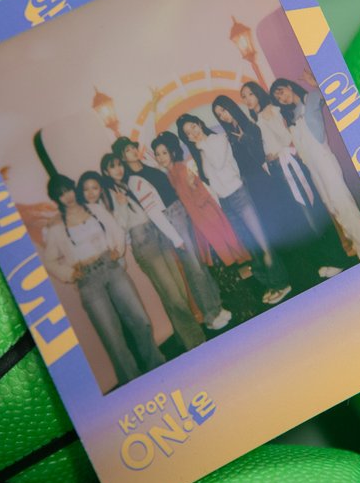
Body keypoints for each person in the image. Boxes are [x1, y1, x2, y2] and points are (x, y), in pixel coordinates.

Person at [40, 175, 164, 386]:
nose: (67, 196)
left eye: (68, 190)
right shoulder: (55, 227)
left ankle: (158, 367)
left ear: (73, 189)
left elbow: (115, 230)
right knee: (113, 338)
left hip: (111, 268)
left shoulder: (94, 209)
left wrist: (118, 249)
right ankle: (133, 384)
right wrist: (70, 274)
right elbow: (50, 261)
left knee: (140, 319)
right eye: (61, 194)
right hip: (89, 281)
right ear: (56, 198)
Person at [111, 138, 232, 331]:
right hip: (171, 219)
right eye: (127, 150)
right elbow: (154, 212)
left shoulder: (149, 165)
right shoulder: (133, 181)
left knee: (199, 263)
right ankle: (210, 314)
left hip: (182, 211)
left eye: (133, 147)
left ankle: (217, 306)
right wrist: (175, 237)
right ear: (122, 157)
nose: (133, 151)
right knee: (194, 269)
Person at [88, 163, 206, 352]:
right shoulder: (108, 196)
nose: (118, 169)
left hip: (156, 234)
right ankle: (195, 340)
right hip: (144, 243)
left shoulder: (128, 184)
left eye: (117, 165)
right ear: (105, 172)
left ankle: (183, 336)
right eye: (112, 167)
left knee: (178, 290)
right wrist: (121, 205)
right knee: (173, 295)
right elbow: (121, 226)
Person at [178, 114, 291, 305]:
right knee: (250, 246)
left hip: (239, 195)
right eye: (188, 133)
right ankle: (270, 284)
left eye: (193, 128)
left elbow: (219, 162)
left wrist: (201, 143)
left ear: (199, 123)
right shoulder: (200, 151)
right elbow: (211, 180)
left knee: (261, 241)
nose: (193, 133)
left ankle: (281, 283)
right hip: (226, 202)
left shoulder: (216, 140)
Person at [240, 81, 350, 277]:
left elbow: (289, 136)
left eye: (250, 94)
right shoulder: (256, 121)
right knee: (303, 217)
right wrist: (269, 156)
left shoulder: (274, 110)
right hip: (280, 171)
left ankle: (337, 258)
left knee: (314, 211)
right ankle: (324, 259)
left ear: (257, 93)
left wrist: (280, 151)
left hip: (293, 165)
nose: (247, 99)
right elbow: (266, 150)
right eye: (244, 97)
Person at [270, 78, 360, 261]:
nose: (282, 98)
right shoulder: (291, 116)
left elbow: (328, 95)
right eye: (277, 98)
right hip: (312, 167)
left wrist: (316, 83)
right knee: (333, 207)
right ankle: (359, 247)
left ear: (289, 86)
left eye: (281, 92)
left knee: (344, 205)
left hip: (324, 161)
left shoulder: (310, 98)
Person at [152, 131, 249, 270]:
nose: (160, 158)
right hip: (197, 220)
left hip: (207, 216)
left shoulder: (182, 169)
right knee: (222, 259)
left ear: (172, 153)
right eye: (157, 154)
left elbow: (202, 195)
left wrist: (193, 187)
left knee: (228, 254)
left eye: (164, 153)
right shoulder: (170, 175)